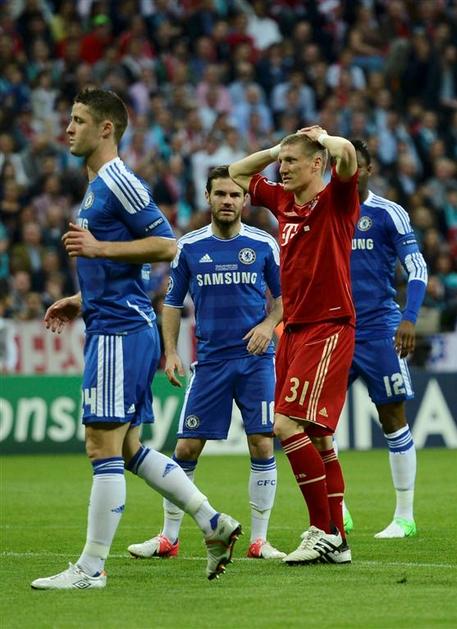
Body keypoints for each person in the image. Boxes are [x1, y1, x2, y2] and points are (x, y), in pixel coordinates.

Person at [31, 89, 241, 590]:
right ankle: (212, 521)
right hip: (118, 322)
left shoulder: (117, 180)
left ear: (106, 129)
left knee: (100, 446)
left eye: (79, 120)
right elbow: (128, 265)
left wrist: (98, 249)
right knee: (128, 449)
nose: (69, 128)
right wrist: (81, 298)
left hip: (118, 332)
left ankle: (90, 568)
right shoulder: (97, 186)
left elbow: (169, 244)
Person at [128, 165, 285, 561]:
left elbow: (286, 300)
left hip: (255, 361)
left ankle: (260, 541)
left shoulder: (264, 244)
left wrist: (269, 324)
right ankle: (169, 538)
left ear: (245, 200)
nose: (227, 201)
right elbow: (172, 303)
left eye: (234, 195)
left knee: (262, 442)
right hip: (211, 363)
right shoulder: (190, 247)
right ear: (208, 198)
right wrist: (171, 351)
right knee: (186, 447)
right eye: (220, 194)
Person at [229, 126, 359, 565]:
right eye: (281, 162)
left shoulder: (337, 199)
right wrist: (275, 148)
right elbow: (237, 172)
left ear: (317, 164)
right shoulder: (284, 200)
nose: (281, 169)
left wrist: (323, 136)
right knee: (320, 438)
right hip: (295, 330)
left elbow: (347, 155)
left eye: (291, 162)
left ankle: (323, 531)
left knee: (284, 425)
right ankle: (338, 540)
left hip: (328, 326)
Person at [339, 139, 427, 538]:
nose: (350, 170)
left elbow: (417, 267)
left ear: (369, 170)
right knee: (317, 422)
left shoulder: (388, 213)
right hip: (334, 329)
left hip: (378, 329)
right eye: (343, 164)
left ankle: (404, 516)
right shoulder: (321, 211)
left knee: (392, 417)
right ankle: (336, 509)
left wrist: (409, 318)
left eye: (357, 164)